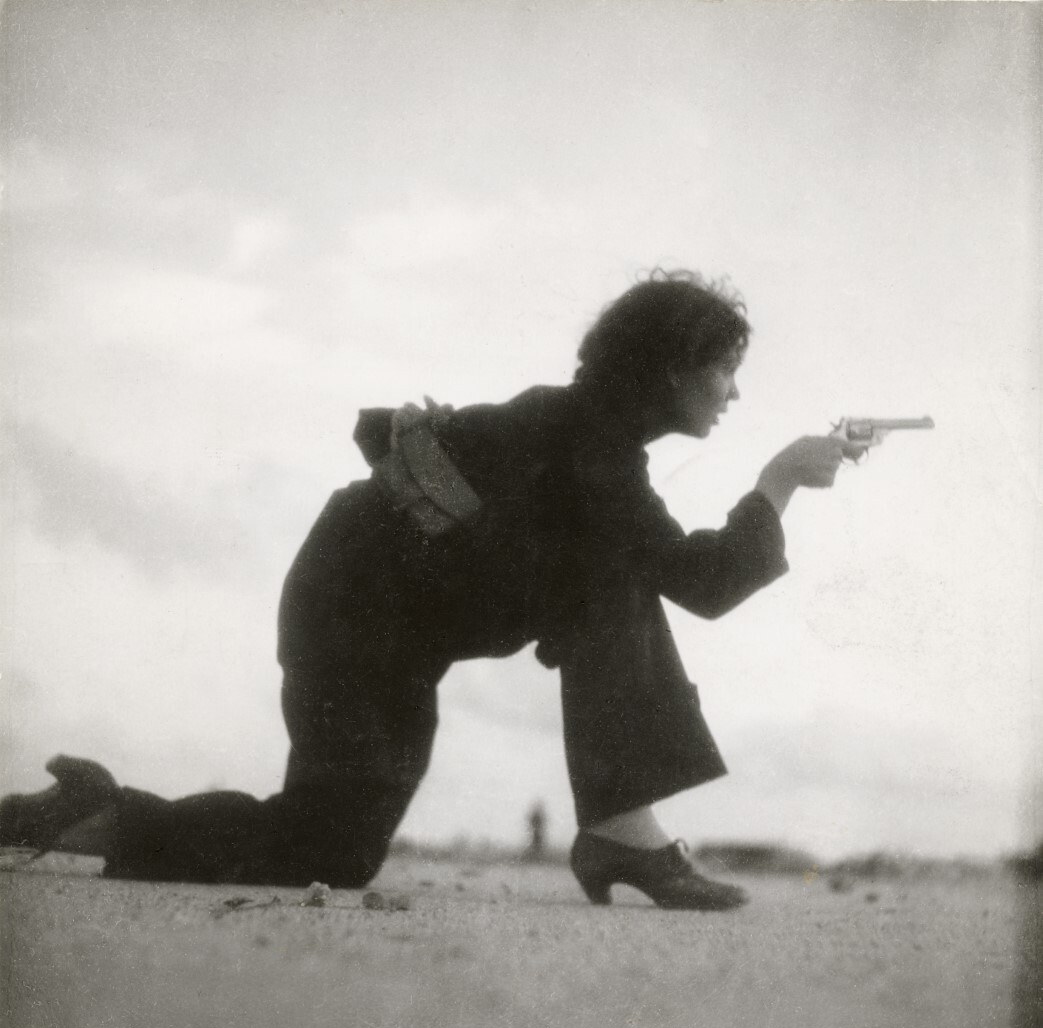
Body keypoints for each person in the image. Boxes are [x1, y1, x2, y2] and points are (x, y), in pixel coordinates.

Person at [1, 270, 854, 910]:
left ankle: (620, 834)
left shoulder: (579, 429)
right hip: (355, 624)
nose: (734, 391)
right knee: (327, 848)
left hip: (376, 617)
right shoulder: (589, 446)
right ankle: (98, 815)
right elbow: (702, 584)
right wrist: (778, 479)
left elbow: (397, 439)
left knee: (335, 843)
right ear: (670, 369)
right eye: (723, 369)